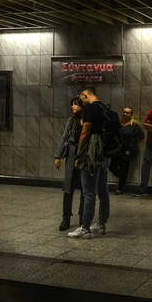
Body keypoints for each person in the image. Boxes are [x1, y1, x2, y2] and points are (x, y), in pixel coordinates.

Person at [68, 85, 110, 239]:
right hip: (104, 155)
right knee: (103, 191)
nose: (82, 103)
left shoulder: (90, 109)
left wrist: (78, 155)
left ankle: (85, 228)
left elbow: (85, 132)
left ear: (85, 95)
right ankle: (101, 224)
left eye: (81, 99)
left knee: (89, 192)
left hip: (91, 154)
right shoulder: (105, 108)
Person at [54, 96, 85, 231]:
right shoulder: (71, 121)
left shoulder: (88, 120)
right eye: (72, 104)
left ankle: (83, 217)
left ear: (82, 106)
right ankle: (66, 217)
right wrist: (58, 156)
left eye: (75, 104)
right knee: (68, 188)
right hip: (72, 155)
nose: (72, 107)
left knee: (85, 188)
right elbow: (64, 137)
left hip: (84, 154)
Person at [109, 106, 144, 195]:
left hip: (128, 151)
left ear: (131, 115)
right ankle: (123, 178)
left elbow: (141, 136)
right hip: (117, 150)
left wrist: (132, 141)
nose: (125, 114)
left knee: (124, 168)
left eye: (127, 113)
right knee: (112, 167)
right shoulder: (118, 124)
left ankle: (120, 187)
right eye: (124, 112)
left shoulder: (133, 125)